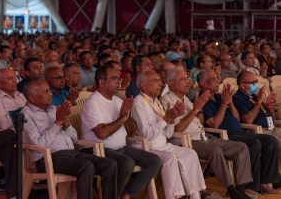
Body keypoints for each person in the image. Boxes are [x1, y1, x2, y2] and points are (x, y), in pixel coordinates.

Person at [160, 67, 254, 199]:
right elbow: (176, 129)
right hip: (185, 141)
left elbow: (199, 123)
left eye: (188, 78)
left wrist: (199, 109)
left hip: (202, 136)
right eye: (183, 79)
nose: (188, 81)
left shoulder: (185, 99)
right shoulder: (166, 100)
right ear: (172, 83)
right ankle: (232, 190)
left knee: (241, 147)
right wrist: (194, 111)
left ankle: (240, 189)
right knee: (215, 151)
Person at [21, 78, 117, 199]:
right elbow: (37, 146)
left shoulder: (54, 109)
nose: (51, 94)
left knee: (110, 164)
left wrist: (65, 123)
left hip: (71, 153)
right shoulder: (25, 116)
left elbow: (74, 139)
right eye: (45, 92)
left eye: (49, 91)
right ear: (32, 97)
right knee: (86, 166)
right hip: (49, 159)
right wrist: (57, 123)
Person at [81, 65, 161, 199]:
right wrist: (122, 118)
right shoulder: (93, 103)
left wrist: (127, 116)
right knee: (127, 163)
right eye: (115, 79)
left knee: (153, 160)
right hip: (97, 150)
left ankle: (126, 195)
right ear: (101, 82)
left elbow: (131, 132)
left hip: (120, 148)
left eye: (119, 79)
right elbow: (101, 133)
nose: (119, 82)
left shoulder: (118, 101)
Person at [198, 69, 281, 194]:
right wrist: (225, 103)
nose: (218, 81)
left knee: (270, 141)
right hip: (225, 136)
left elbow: (236, 118)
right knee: (254, 143)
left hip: (239, 131)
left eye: (218, 77)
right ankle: (249, 186)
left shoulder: (218, 97)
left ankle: (265, 182)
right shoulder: (203, 100)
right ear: (203, 84)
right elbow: (213, 124)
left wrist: (229, 103)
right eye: (214, 79)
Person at [131, 69, 206, 199]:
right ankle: (175, 196)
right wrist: (166, 119)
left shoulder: (157, 102)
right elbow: (145, 133)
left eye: (160, 80)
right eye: (156, 81)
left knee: (190, 153)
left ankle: (195, 197)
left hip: (162, 145)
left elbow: (167, 135)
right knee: (170, 157)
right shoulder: (139, 103)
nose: (161, 84)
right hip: (147, 148)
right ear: (143, 85)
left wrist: (171, 121)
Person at [233, 71, 281, 162]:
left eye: (256, 81)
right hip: (258, 131)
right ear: (243, 86)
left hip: (271, 128)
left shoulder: (254, 96)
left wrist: (269, 104)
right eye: (253, 83)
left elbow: (271, 116)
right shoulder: (237, 98)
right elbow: (248, 119)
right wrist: (259, 102)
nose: (256, 84)